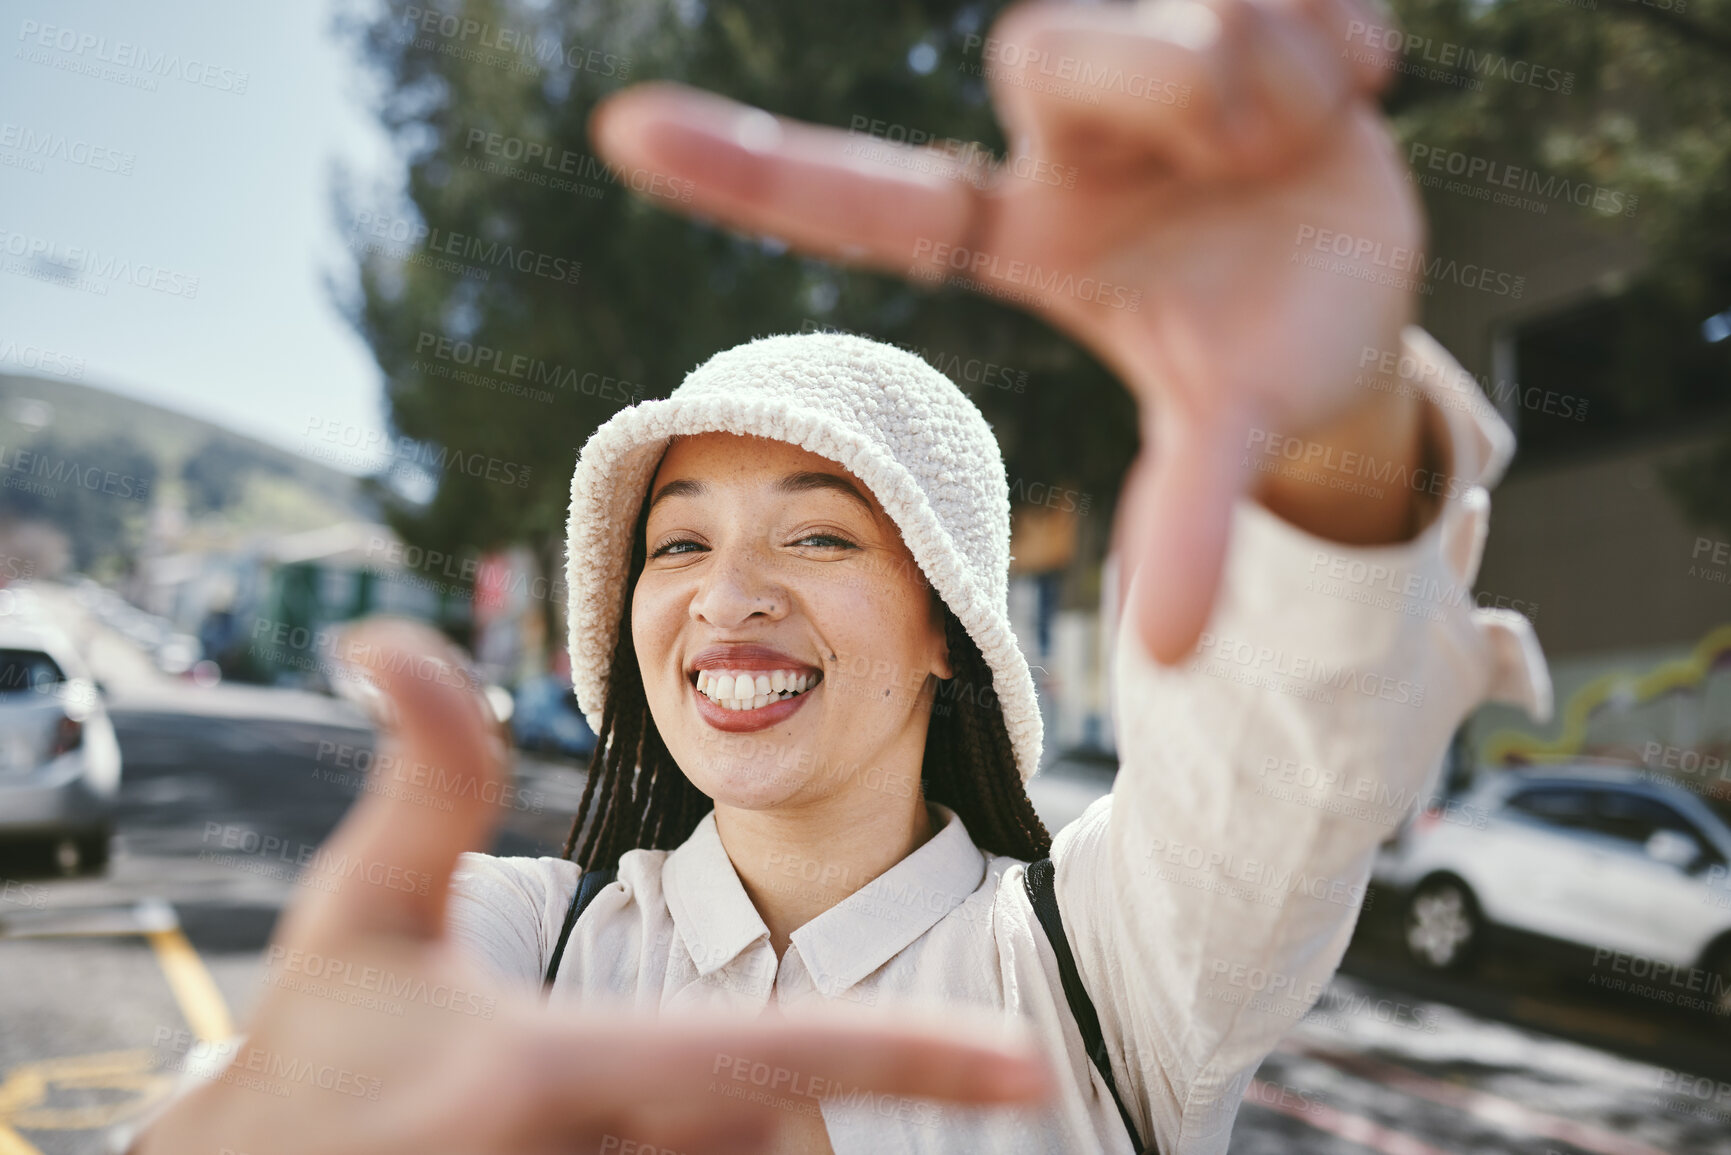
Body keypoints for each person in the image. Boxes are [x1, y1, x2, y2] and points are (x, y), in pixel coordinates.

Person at [127, 0, 1551, 1152]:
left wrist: (1325, 422)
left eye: (817, 534)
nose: (726, 596)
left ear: (951, 629)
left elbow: (1284, 748)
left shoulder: (1101, 965)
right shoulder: (516, 938)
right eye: (676, 542)